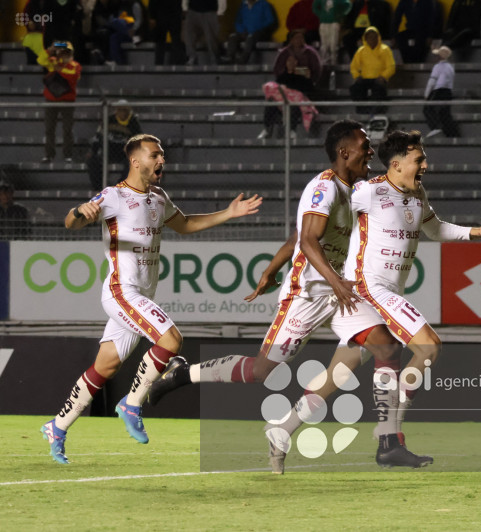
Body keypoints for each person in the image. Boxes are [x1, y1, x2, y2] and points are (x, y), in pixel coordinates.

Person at [146, 121, 428, 473]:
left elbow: (299, 232)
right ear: (345, 153)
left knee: (384, 349)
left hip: (338, 292)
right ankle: (183, 374)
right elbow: (308, 241)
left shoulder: (355, 190)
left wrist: (271, 268)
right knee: (260, 370)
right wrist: (331, 281)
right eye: (364, 146)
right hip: (308, 293)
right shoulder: (323, 187)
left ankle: (386, 440)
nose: (371, 152)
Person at [253, 130, 481, 473]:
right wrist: (278, 265)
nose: (426, 165)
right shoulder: (367, 192)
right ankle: (389, 437)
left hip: (387, 293)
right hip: (369, 289)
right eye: (419, 160)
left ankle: (283, 429)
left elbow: (435, 229)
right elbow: (310, 226)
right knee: (428, 347)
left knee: (339, 371)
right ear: (397, 165)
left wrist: (475, 233)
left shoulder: (417, 196)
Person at [40, 134, 262, 464]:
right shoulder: (114, 197)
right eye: (155, 155)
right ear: (135, 161)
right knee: (171, 340)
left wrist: (227, 213)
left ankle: (56, 427)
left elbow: (185, 224)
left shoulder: (158, 196)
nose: (162, 160)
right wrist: (78, 210)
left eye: (163, 155)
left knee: (107, 365)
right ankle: (132, 402)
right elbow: (72, 222)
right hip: (122, 291)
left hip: (141, 294)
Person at [260, 29, 322, 138]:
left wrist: (307, 75)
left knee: (295, 102)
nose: (299, 40)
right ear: (291, 40)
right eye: (296, 38)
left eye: (301, 38)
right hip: (285, 90)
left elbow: (316, 71)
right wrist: (288, 71)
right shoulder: (284, 54)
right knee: (271, 102)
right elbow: (278, 74)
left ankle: (291, 130)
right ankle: (267, 129)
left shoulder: (310, 53)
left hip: (302, 89)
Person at [86, 99, 143, 191]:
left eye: (124, 110)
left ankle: (120, 187)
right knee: (92, 161)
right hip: (108, 151)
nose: (122, 112)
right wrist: (93, 150)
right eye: (120, 110)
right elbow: (97, 137)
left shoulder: (133, 123)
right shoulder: (109, 120)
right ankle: (99, 187)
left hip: (124, 153)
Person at [42, 41, 81, 163]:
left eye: (67, 53)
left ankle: (67, 155)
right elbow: (41, 60)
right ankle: (49, 155)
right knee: (49, 129)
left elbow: (73, 76)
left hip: (67, 101)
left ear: (71, 54)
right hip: (51, 100)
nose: (64, 55)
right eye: (62, 52)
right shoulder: (53, 61)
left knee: (67, 129)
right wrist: (50, 50)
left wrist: (58, 69)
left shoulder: (75, 65)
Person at [349, 26, 395, 114]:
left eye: (374, 37)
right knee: (356, 88)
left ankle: (377, 110)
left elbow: (391, 66)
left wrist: (384, 76)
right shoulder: (361, 51)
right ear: (365, 39)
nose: (372, 40)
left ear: (378, 38)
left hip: (379, 79)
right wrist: (357, 76)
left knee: (379, 88)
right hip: (365, 78)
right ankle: (361, 109)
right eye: (369, 37)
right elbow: (353, 67)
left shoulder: (385, 50)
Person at [223, 0, 277, 64]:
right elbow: (238, 22)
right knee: (233, 36)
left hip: (259, 32)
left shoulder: (264, 4)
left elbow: (270, 21)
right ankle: (229, 57)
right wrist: (242, 30)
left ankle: (243, 59)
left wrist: (257, 28)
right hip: (245, 32)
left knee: (250, 37)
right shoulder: (243, 5)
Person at [423, 46, 458, 138]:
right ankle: (452, 133)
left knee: (427, 109)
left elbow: (432, 81)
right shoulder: (450, 67)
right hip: (448, 91)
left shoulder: (438, 66)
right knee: (445, 112)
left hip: (439, 90)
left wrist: (427, 94)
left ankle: (435, 127)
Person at [183, 0, 226, 65]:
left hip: (210, 11)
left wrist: (221, 12)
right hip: (192, 10)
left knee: (211, 38)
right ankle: (192, 57)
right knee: (189, 36)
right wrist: (184, 7)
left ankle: (214, 58)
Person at [313, 0, 352, 65]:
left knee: (333, 44)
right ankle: (324, 62)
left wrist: (341, 14)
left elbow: (348, 4)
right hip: (323, 22)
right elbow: (314, 7)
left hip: (334, 22)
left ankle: (334, 62)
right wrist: (320, 15)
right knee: (324, 44)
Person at [149, 0, 186, 65]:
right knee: (175, 41)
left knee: (162, 43)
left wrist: (152, 16)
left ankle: (159, 63)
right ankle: (178, 64)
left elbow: (153, 2)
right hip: (173, 15)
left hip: (162, 15)